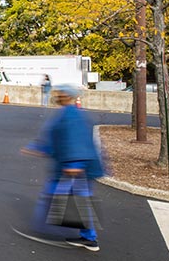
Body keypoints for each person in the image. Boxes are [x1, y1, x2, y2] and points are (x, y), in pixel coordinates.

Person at [21, 85, 105, 252]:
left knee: (73, 200)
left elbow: (76, 141)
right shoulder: (68, 113)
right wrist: (37, 148)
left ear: (67, 96)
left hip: (74, 168)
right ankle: (87, 236)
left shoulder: (71, 115)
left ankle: (87, 237)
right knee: (74, 200)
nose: (57, 95)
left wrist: (75, 165)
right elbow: (55, 138)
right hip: (70, 167)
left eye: (60, 93)